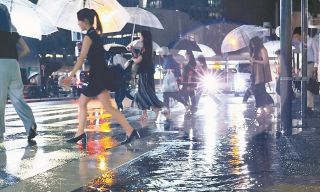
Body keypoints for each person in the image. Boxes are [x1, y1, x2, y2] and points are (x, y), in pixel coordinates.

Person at [62, 8, 139, 144]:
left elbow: (81, 59)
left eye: (79, 21)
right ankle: (129, 131)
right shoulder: (95, 35)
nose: (78, 24)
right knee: (91, 104)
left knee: (91, 104)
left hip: (97, 75)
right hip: (100, 74)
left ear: (85, 21)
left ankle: (81, 133)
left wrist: (70, 76)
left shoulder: (88, 37)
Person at [0, 4, 37, 142]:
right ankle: (30, 125)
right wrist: (15, 58)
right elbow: (26, 49)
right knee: (18, 98)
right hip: (14, 65)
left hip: (0, 65)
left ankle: (0, 132)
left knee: (0, 100)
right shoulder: (11, 29)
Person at [131, 31, 163, 121]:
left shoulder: (146, 48)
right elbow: (139, 58)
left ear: (144, 37)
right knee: (142, 93)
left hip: (145, 74)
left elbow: (138, 60)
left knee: (145, 93)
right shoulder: (147, 48)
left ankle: (156, 109)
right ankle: (144, 114)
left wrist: (132, 59)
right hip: (145, 73)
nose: (139, 37)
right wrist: (132, 50)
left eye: (141, 35)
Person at [292, 27, 319, 114]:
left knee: (307, 84)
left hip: (310, 64)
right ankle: (306, 105)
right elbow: (300, 56)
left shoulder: (311, 40)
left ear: (301, 34)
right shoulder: (300, 44)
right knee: (303, 84)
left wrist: (315, 66)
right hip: (303, 65)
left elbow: (316, 53)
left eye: (296, 36)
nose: (296, 38)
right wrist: (298, 67)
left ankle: (309, 106)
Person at [160, 47, 189, 118]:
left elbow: (167, 70)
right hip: (173, 79)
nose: (160, 55)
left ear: (163, 54)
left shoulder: (167, 60)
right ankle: (186, 105)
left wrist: (163, 70)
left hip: (171, 81)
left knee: (167, 94)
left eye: (160, 53)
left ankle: (167, 108)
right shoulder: (170, 59)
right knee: (172, 94)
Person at [249, 36, 274, 108]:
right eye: (251, 44)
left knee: (260, 89)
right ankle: (264, 104)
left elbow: (265, 61)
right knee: (258, 89)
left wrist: (255, 61)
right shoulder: (254, 51)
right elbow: (253, 62)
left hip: (261, 73)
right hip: (255, 72)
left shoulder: (262, 50)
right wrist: (251, 61)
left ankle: (263, 104)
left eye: (253, 44)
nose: (252, 46)